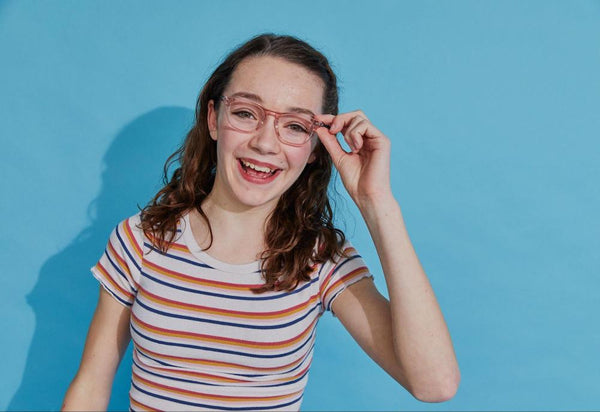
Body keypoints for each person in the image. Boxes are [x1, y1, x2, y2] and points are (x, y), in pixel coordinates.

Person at [62, 33, 460, 411]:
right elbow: (92, 383)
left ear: (317, 149)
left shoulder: (321, 260)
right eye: (246, 113)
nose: (265, 143)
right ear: (214, 119)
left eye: (295, 126)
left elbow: (434, 384)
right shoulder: (140, 241)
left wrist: (377, 203)